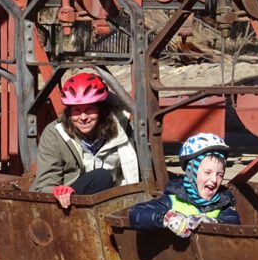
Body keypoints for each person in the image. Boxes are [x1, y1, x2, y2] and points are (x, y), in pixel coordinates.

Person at [33, 72, 140, 208]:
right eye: (77, 110)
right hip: (68, 200)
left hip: (112, 196)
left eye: (89, 109)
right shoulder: (55, 133)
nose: (83, 117)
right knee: (101, 176)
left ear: (101, 110)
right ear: (69, 113)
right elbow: (45, 183)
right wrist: (58, 190)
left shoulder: (122, 129)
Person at [128, 132, 240, 236]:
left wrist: (215, 224)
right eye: (207, 172)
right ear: (191, 174)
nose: (214, 180)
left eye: (219, 175)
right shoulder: (174, 200)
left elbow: (233, 222)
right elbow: (137, 213)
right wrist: (166, 218)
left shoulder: (222, 205)